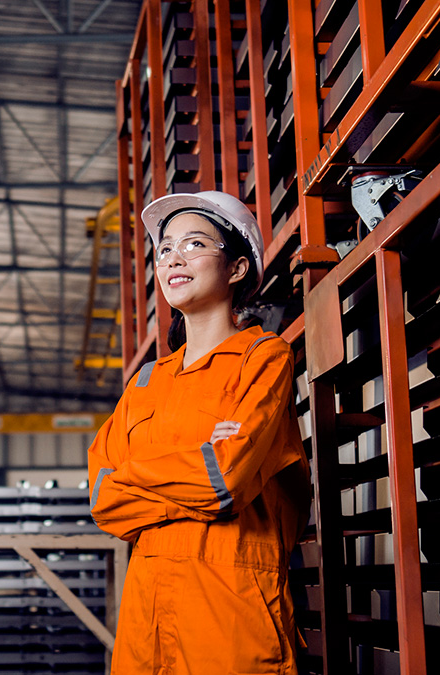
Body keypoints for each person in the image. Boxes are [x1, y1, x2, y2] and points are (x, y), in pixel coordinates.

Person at [87, 191, 311, 674]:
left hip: (229, 611)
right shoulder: (146, 381)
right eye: (165, 249)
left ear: (236, 269)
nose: (174, 258)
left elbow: (222, 479)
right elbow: (103, 497)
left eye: (194, 244)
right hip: (146, 618)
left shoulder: (262, 359)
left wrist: (138, 477)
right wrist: (197, 464)